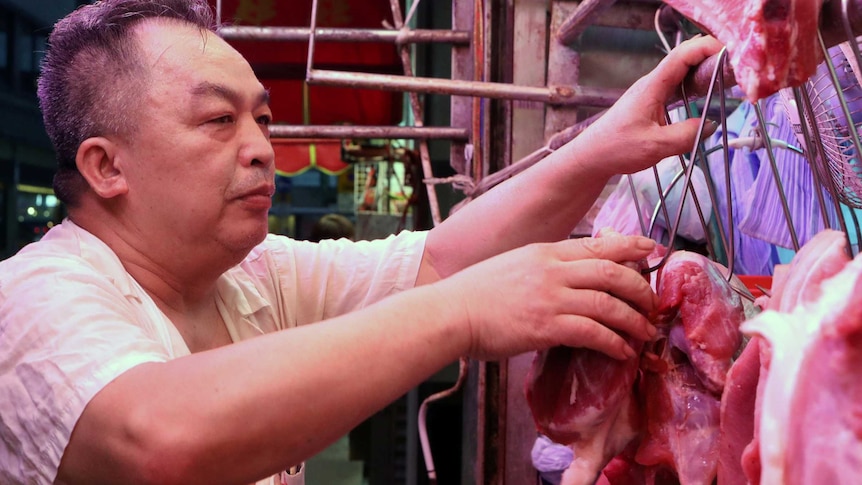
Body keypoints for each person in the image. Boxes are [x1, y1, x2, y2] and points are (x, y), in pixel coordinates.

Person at [0, 1, 722, 483]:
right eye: (219, 121)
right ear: (106, 165)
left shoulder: (250, 276)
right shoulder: (38, 294)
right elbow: (153, 435)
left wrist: (602, 148)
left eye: (262, 119)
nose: (258, 148)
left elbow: (440, 260)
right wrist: (462, 314)